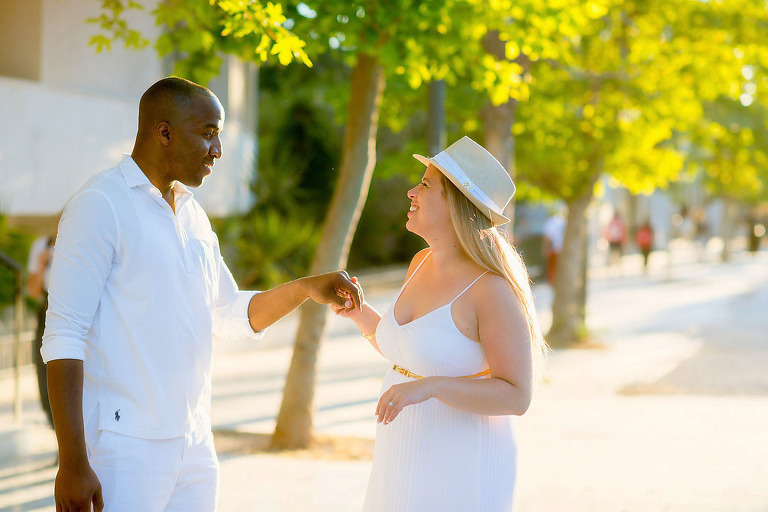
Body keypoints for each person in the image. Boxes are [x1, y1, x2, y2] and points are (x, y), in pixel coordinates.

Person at [41, 77, 362, 512]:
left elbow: (227, 311)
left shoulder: (192, 214)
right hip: (124, 447)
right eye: (208, 133)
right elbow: (64, 335)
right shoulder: (100, 204)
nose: (218, 150)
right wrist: (72, 461)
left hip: (194, 444)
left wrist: (306, 288)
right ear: (165, 131)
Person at [332, 136, 547, 511]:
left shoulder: (491, 290)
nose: (411, 191)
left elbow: (517, 395)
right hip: (401, 454)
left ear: (458, 204)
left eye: (426, 184)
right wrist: (359, 314)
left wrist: (430, 388)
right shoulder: (420, 263)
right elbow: (412, 356)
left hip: (458, 463)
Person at [26, 229, 56, 427]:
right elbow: (32, 290)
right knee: (44, 369)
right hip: (47, 311)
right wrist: (42, 263)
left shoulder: (80, 241)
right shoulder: (41, 245)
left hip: (77, 311)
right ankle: (55, 432)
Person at [542, 208, 566, 284]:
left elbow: (547, 238)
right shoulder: (563, 221)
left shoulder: (551, 222)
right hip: (562, 250)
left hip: (555, 250)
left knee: (553, 273)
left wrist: (545, 249)